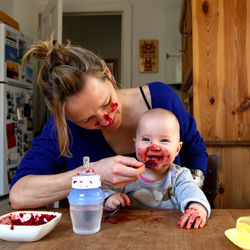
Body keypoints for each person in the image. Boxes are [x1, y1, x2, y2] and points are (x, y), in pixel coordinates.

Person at [9, 36, 208, 209]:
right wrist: (90, 174)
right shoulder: (62, 128)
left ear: (108, 73)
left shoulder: (161, 99)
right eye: (87, 120)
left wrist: (191, 189)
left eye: (106, 103)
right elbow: (19, 195)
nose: (106, 119)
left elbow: (195, 150)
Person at [103, 109, 210, 229]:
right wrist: (108, 198)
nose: (154, 146)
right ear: (135, 144)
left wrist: (197, 207)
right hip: (130, 231)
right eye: (146, 140)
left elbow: (192, 192)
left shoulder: (179, 176)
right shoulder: (125, 173)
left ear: (177, 149)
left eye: (164, 140)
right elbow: (100, 192)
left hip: (171, 231)